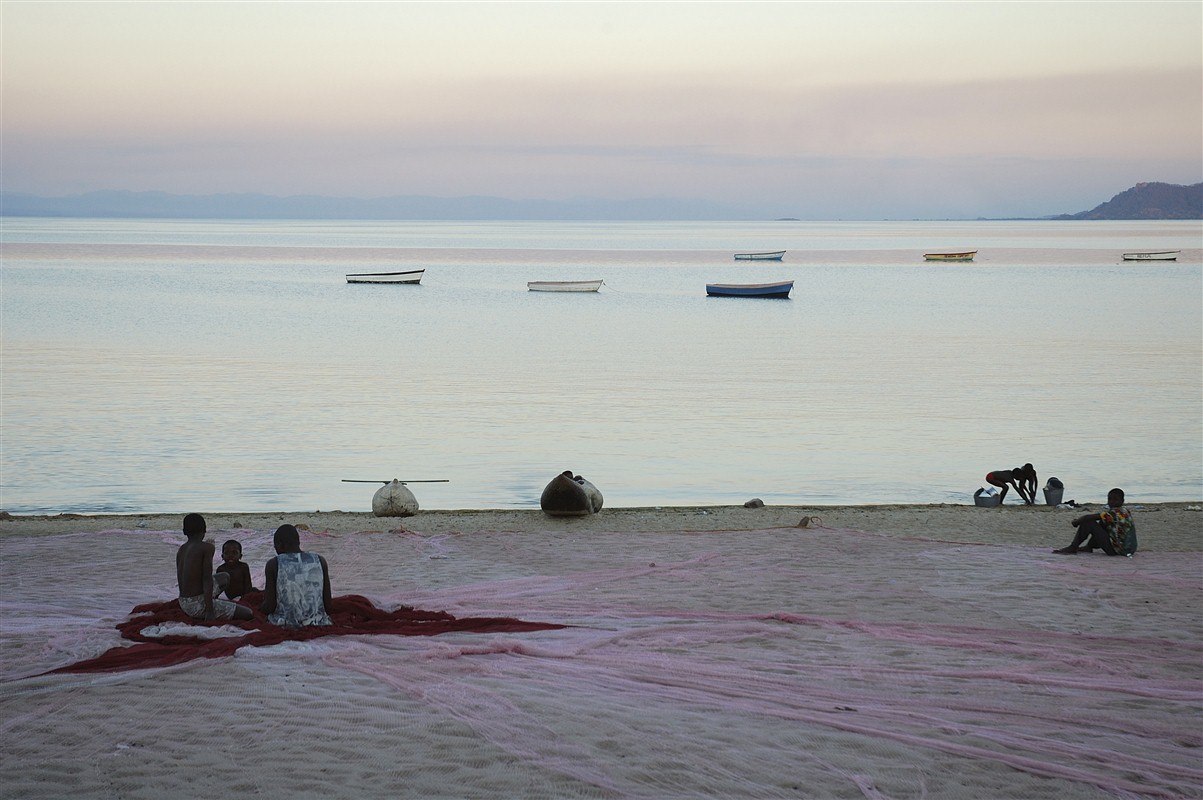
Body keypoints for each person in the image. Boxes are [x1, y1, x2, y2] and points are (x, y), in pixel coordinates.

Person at [176, 513, 253, 621]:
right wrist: (209, 611)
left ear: (184, 532)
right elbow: (207, 579)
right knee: (248, 613)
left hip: (183, 602)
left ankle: (211, 602)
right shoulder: (207, 548)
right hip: (197, 605)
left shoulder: (181, 549)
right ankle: (211, 605)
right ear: (205, 530)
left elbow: (181, 579)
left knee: (225, 576)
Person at [260, 524, 333, 628]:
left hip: (285, 623)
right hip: (317, 622)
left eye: (275, 546)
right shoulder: (320, 560)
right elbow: (328, 605)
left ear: (279, 544)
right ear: (298, 542)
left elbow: (270, 606)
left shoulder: (274, 564)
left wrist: (260, 608)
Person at [1053, 488, 1138, 556]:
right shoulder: (1124, 510)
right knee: (1102, 522)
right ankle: (1089, 547)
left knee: (1088, 522)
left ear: (1122, 501)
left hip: (1119, 551)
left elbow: (1088, 517)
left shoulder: (1115, 512)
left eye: (1115, 499)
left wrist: (1076, 522)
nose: (1111, 501)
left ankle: (1073, 547)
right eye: (1109, 499)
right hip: (1127, 549)